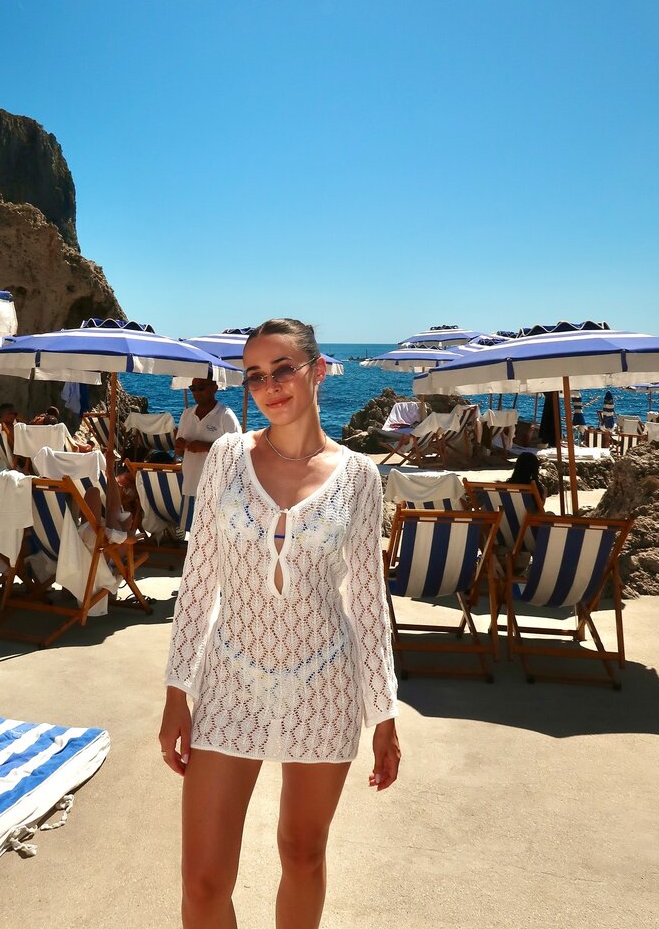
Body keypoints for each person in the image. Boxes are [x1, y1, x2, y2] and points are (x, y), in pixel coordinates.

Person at [159, 318, 400, 929]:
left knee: (303, 853)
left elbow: (368, 602)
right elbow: (199, 580)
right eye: (255, 375)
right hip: (229, 678)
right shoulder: (227, 457)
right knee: (203, 881)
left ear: (317, 370)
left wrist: (384, 714)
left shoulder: (360, 476)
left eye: (283, 369)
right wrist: (177, 692)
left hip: (325, 682)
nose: (269, 386)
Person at [174, 377, 241, 528]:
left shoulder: (225, 415)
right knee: (191, 533)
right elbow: (179, 453)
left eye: (201, 387)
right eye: (193, 388)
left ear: (214, 388)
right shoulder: (186, 414)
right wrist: (179, 445)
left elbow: (238, 452)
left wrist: (206, 447)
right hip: (190, 486)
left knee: (215, 534)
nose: (196, 392)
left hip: (216, 491)